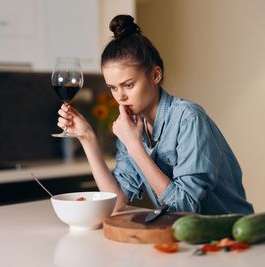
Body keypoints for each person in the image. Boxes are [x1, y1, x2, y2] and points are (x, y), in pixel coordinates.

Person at [56, 14, 254, 215]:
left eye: (129, 85)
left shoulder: (189, 119)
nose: (120, 97)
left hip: (231, 236)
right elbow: (116, 202)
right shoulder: (133, 125)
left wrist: (134, 145)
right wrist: (87, 137)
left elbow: (184, 206)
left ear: (155, 75)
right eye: (113, 88)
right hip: (185, 237)